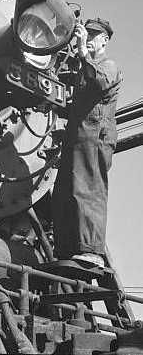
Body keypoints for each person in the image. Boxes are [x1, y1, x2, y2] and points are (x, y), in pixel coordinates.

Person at [52, 17, 122, 267]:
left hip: (95, 139)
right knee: (62, 193)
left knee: (88, 190)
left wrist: (82, 52)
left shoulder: (108, 65)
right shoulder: (83, 69)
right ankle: (65, 249)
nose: (88, 39)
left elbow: (100, 82)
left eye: (92, 36)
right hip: (76, 138)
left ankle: (91, 250)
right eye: (86, 35)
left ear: (104, 40)